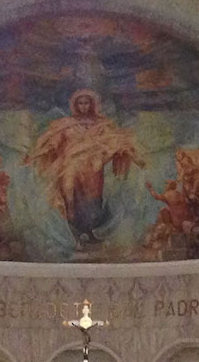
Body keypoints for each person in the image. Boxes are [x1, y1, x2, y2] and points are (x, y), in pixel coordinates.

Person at [24, 90, 142, 248]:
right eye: (80, 103)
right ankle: (76, 234)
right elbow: (53, 143)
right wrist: (36, 154)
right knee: (71, 199)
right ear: (75, 105)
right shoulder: (66, 124)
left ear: (92, 104)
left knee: (93, 202)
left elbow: (114, 142)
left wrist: (127, 152)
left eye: (86, 103)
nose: (83, 106)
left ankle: (89, 231)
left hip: (93, 171)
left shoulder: (101, 124)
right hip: (70, 168)